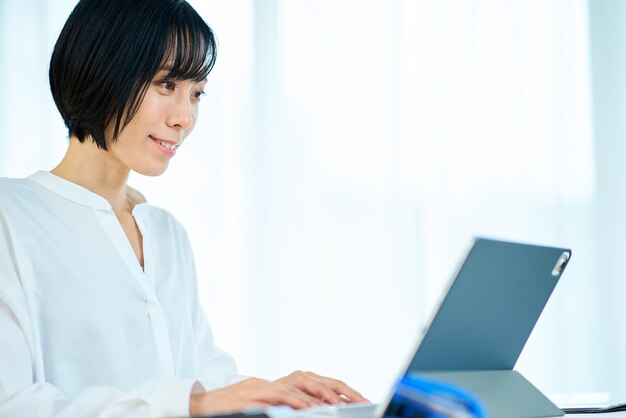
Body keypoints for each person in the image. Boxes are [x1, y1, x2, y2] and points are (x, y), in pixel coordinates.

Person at [0, 0, 367, 417]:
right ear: (101, 70)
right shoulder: (10, 216)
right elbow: (11, 403)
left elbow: (203, 378)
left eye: (197, 93)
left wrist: (272, 393)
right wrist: (198, 402)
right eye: (166, 85)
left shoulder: (166, 233)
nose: (185, 118)